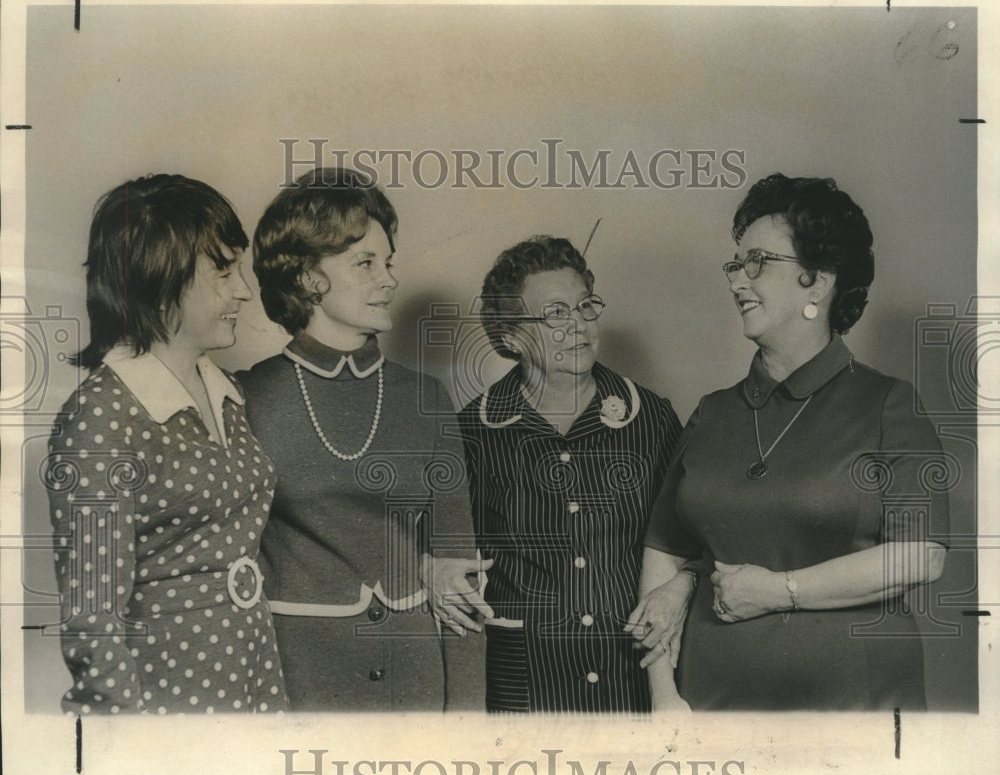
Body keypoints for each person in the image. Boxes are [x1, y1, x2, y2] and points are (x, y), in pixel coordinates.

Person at [631, 173, 950, 711]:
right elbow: (663, 555)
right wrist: (664, 695)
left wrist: (779, 591)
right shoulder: (711, 414)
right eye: (736, 264)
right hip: (710, 709)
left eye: (758, 261)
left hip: (854, 711)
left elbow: (920, 558)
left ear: (818, 281)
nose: (737, 281)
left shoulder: (888, 406)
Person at [240, 167, 488, 712]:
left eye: (388, 262)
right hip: (298, 682)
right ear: (308, 277)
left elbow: (459, 575)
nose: (389, 280)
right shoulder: (245, 397)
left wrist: (467, 720)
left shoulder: (425, 396)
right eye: (365, 263)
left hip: (416, 682)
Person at [44, 174, 287, 714]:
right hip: (165, 698)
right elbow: (93, 617)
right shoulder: (101, 419)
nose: (244, 290)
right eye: (224, 270)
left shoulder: (226, 394)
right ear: (160, 276)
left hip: (250, 672)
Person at [458, 235, 684, 712]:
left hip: (634, 683)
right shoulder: (473, 431)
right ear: (511, 334)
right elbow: (444, 556)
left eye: (585, 307)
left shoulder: (652, 418)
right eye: (556, 314)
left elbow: (694, 542)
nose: (578, 326)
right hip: (524, 690)